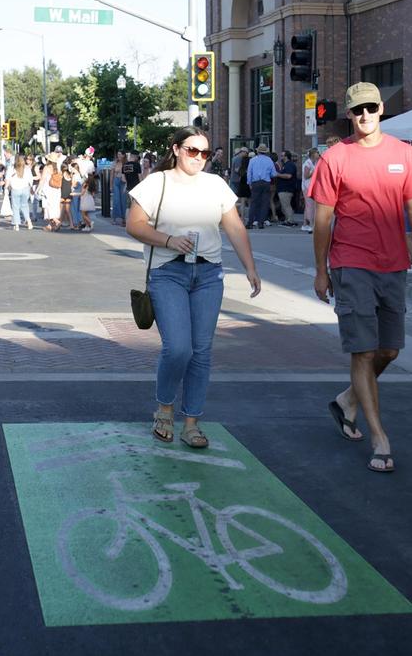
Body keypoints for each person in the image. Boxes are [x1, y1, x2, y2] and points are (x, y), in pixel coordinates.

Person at [310, 82, 412, 473]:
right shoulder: (335, 158)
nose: (364, 115)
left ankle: (348, 400)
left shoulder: (404, 153)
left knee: (389, 351)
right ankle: (379, 437)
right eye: (356, 110)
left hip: (394, 264)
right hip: (351, 262)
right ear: (349, 115)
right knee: (363, 351)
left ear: (381, 108)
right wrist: (321, 270)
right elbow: (323, 218)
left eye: (370, 107)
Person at [127, 126, 262, 449]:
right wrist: (169, 240)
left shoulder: (215, 185)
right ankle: (164, 409)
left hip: (208, 275)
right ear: (175, 149)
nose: (199, 158)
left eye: (204, 152)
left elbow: (234, 226)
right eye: (192, 150)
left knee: (201, 352)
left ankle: (191, 422)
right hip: (167, 272)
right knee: (178, 348)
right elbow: (134, 225)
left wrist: (251, 268)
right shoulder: (156, 182)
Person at [246, 143, 276, 229]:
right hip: (266, 182)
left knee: (254, 203)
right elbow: (273, 174)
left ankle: (250, 222)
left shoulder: (252, 160)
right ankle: (261, 223)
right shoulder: (269, 160)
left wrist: (249, 183)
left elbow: (249, 173)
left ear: (257, 151)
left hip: (255, 182)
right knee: (264, 203)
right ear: (265, 152)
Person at [7, 155, 33, 231]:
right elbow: (30, 179)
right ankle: (29, 222)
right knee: (25, 206)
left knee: (15, 207)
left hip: (15, 189)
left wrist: (6, 188)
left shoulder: (12, 168)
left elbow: (8, 179)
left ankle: (17, 224)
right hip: (25, 189)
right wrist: (31, 188)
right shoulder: (27, 169)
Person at [275, 150, 299, 226]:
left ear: (286, 156)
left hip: (286, 189)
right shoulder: (285, 164)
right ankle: (287, 219)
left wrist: (278, 174)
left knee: (286, 205)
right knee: (284, 205)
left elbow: (289, 176)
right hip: (283, 188)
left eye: (282, 156)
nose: (281, 157)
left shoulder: (289, 165)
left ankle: (290, 220)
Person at [301, 147, 320, 233]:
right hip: (307, 187)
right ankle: (312, 225)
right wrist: (314, 171)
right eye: (317, 153)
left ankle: (305, 224)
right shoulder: (307, 163)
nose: (318, 154)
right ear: (313, 154)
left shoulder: (315, 162)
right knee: (310, 206)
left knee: (309, 206)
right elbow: (306, 176)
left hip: (312, 186)